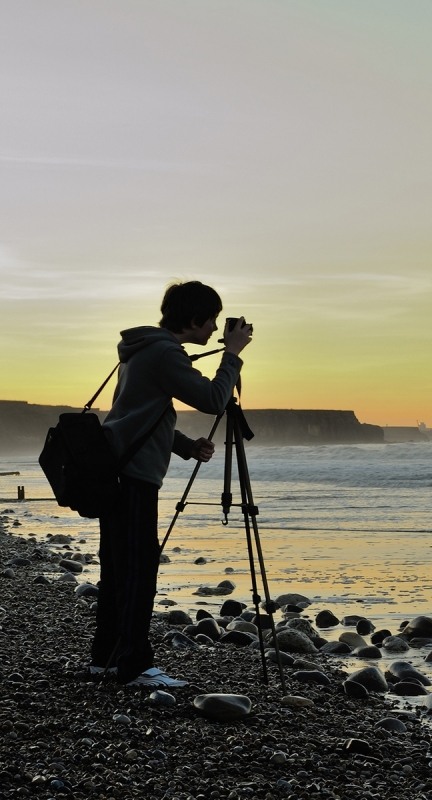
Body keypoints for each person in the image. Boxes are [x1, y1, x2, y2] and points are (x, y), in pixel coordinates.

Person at [89, 281, 252, 687]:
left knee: (118, 569)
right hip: (134, 478)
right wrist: (231, 355)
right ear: (194, 319)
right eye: (213, 320)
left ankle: (106, 659)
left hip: (117, 471)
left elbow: (138, 413)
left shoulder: (141, 350)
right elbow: (214, 399)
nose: (216, 329)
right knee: (138, 572)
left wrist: (183, 445)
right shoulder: (164, 353)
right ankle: (134, 666)